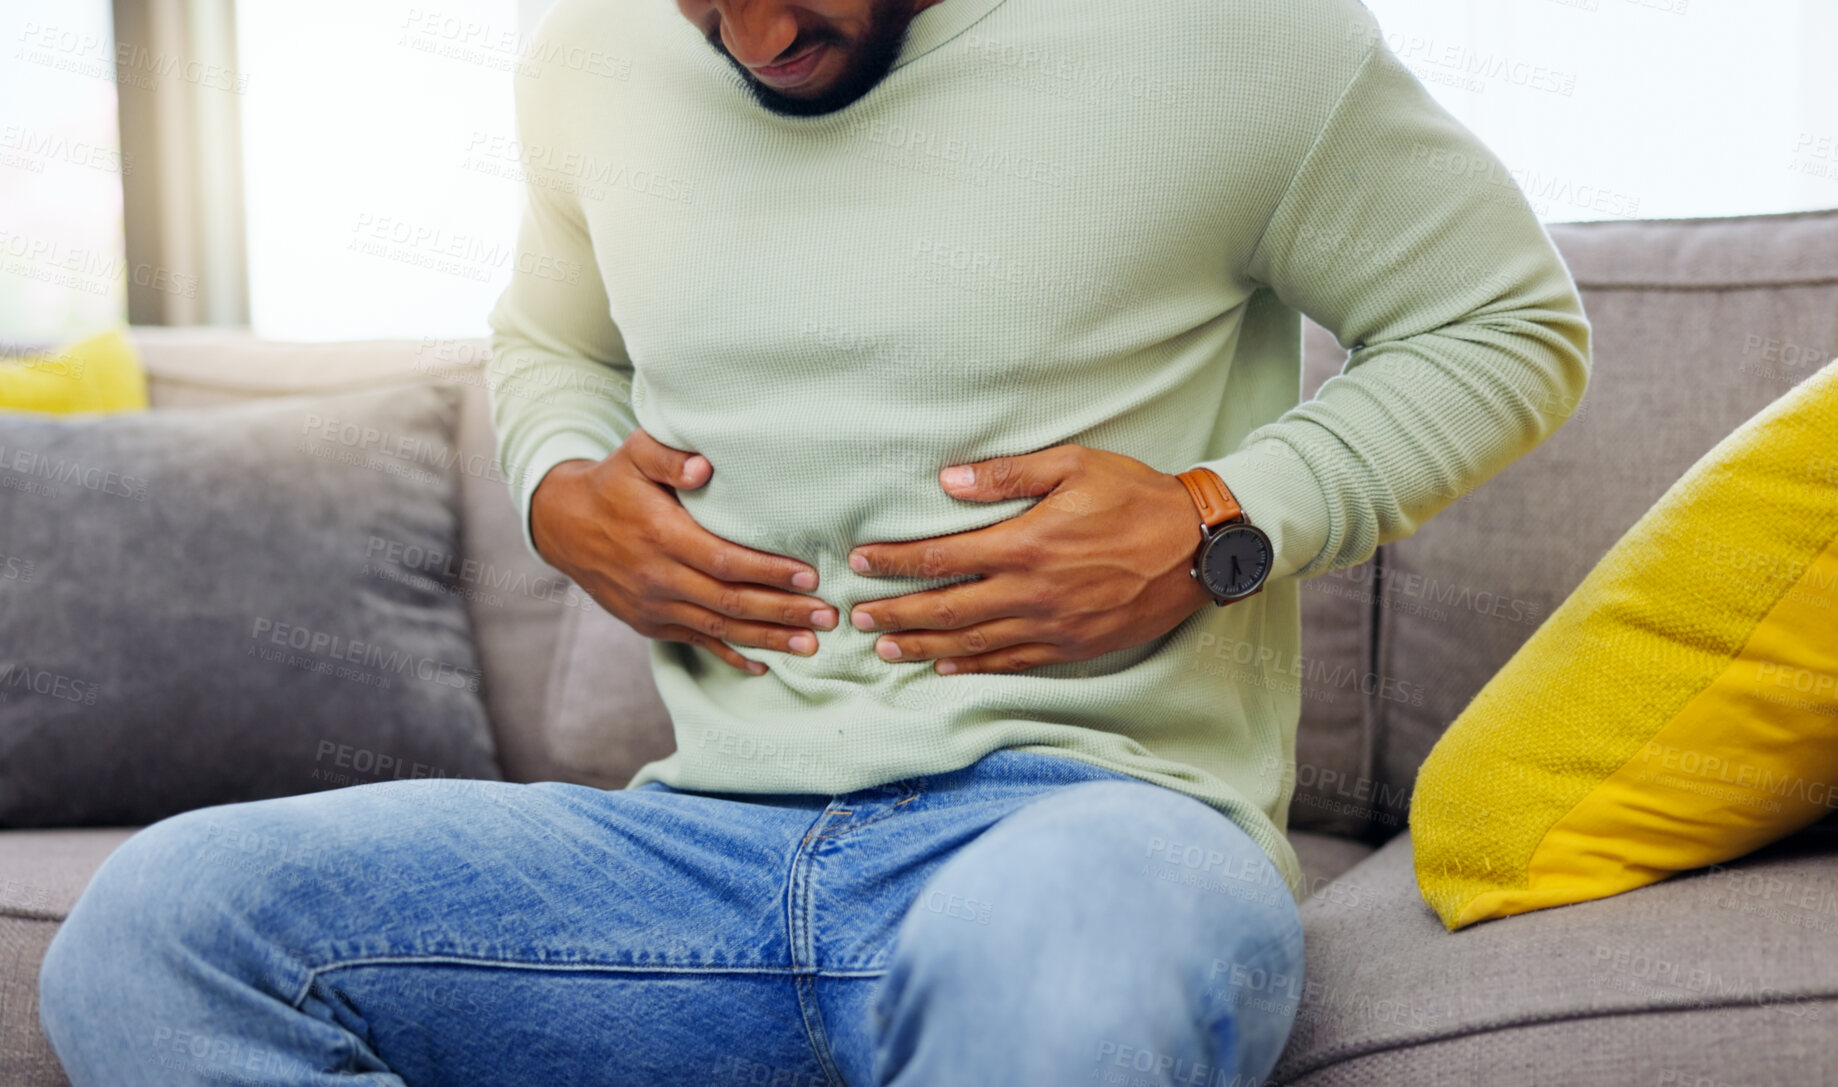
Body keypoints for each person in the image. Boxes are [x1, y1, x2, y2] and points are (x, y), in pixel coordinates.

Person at [38, 0, 1590, 1083]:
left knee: (1051, 976)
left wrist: (1215, 522)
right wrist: (559, 488)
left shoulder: (1230, 36)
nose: (755, 36)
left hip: (1083, 831)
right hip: (692, 846)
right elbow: (549, 343)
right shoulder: (591, 57)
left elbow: (1503, 323)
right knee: (164, 933)